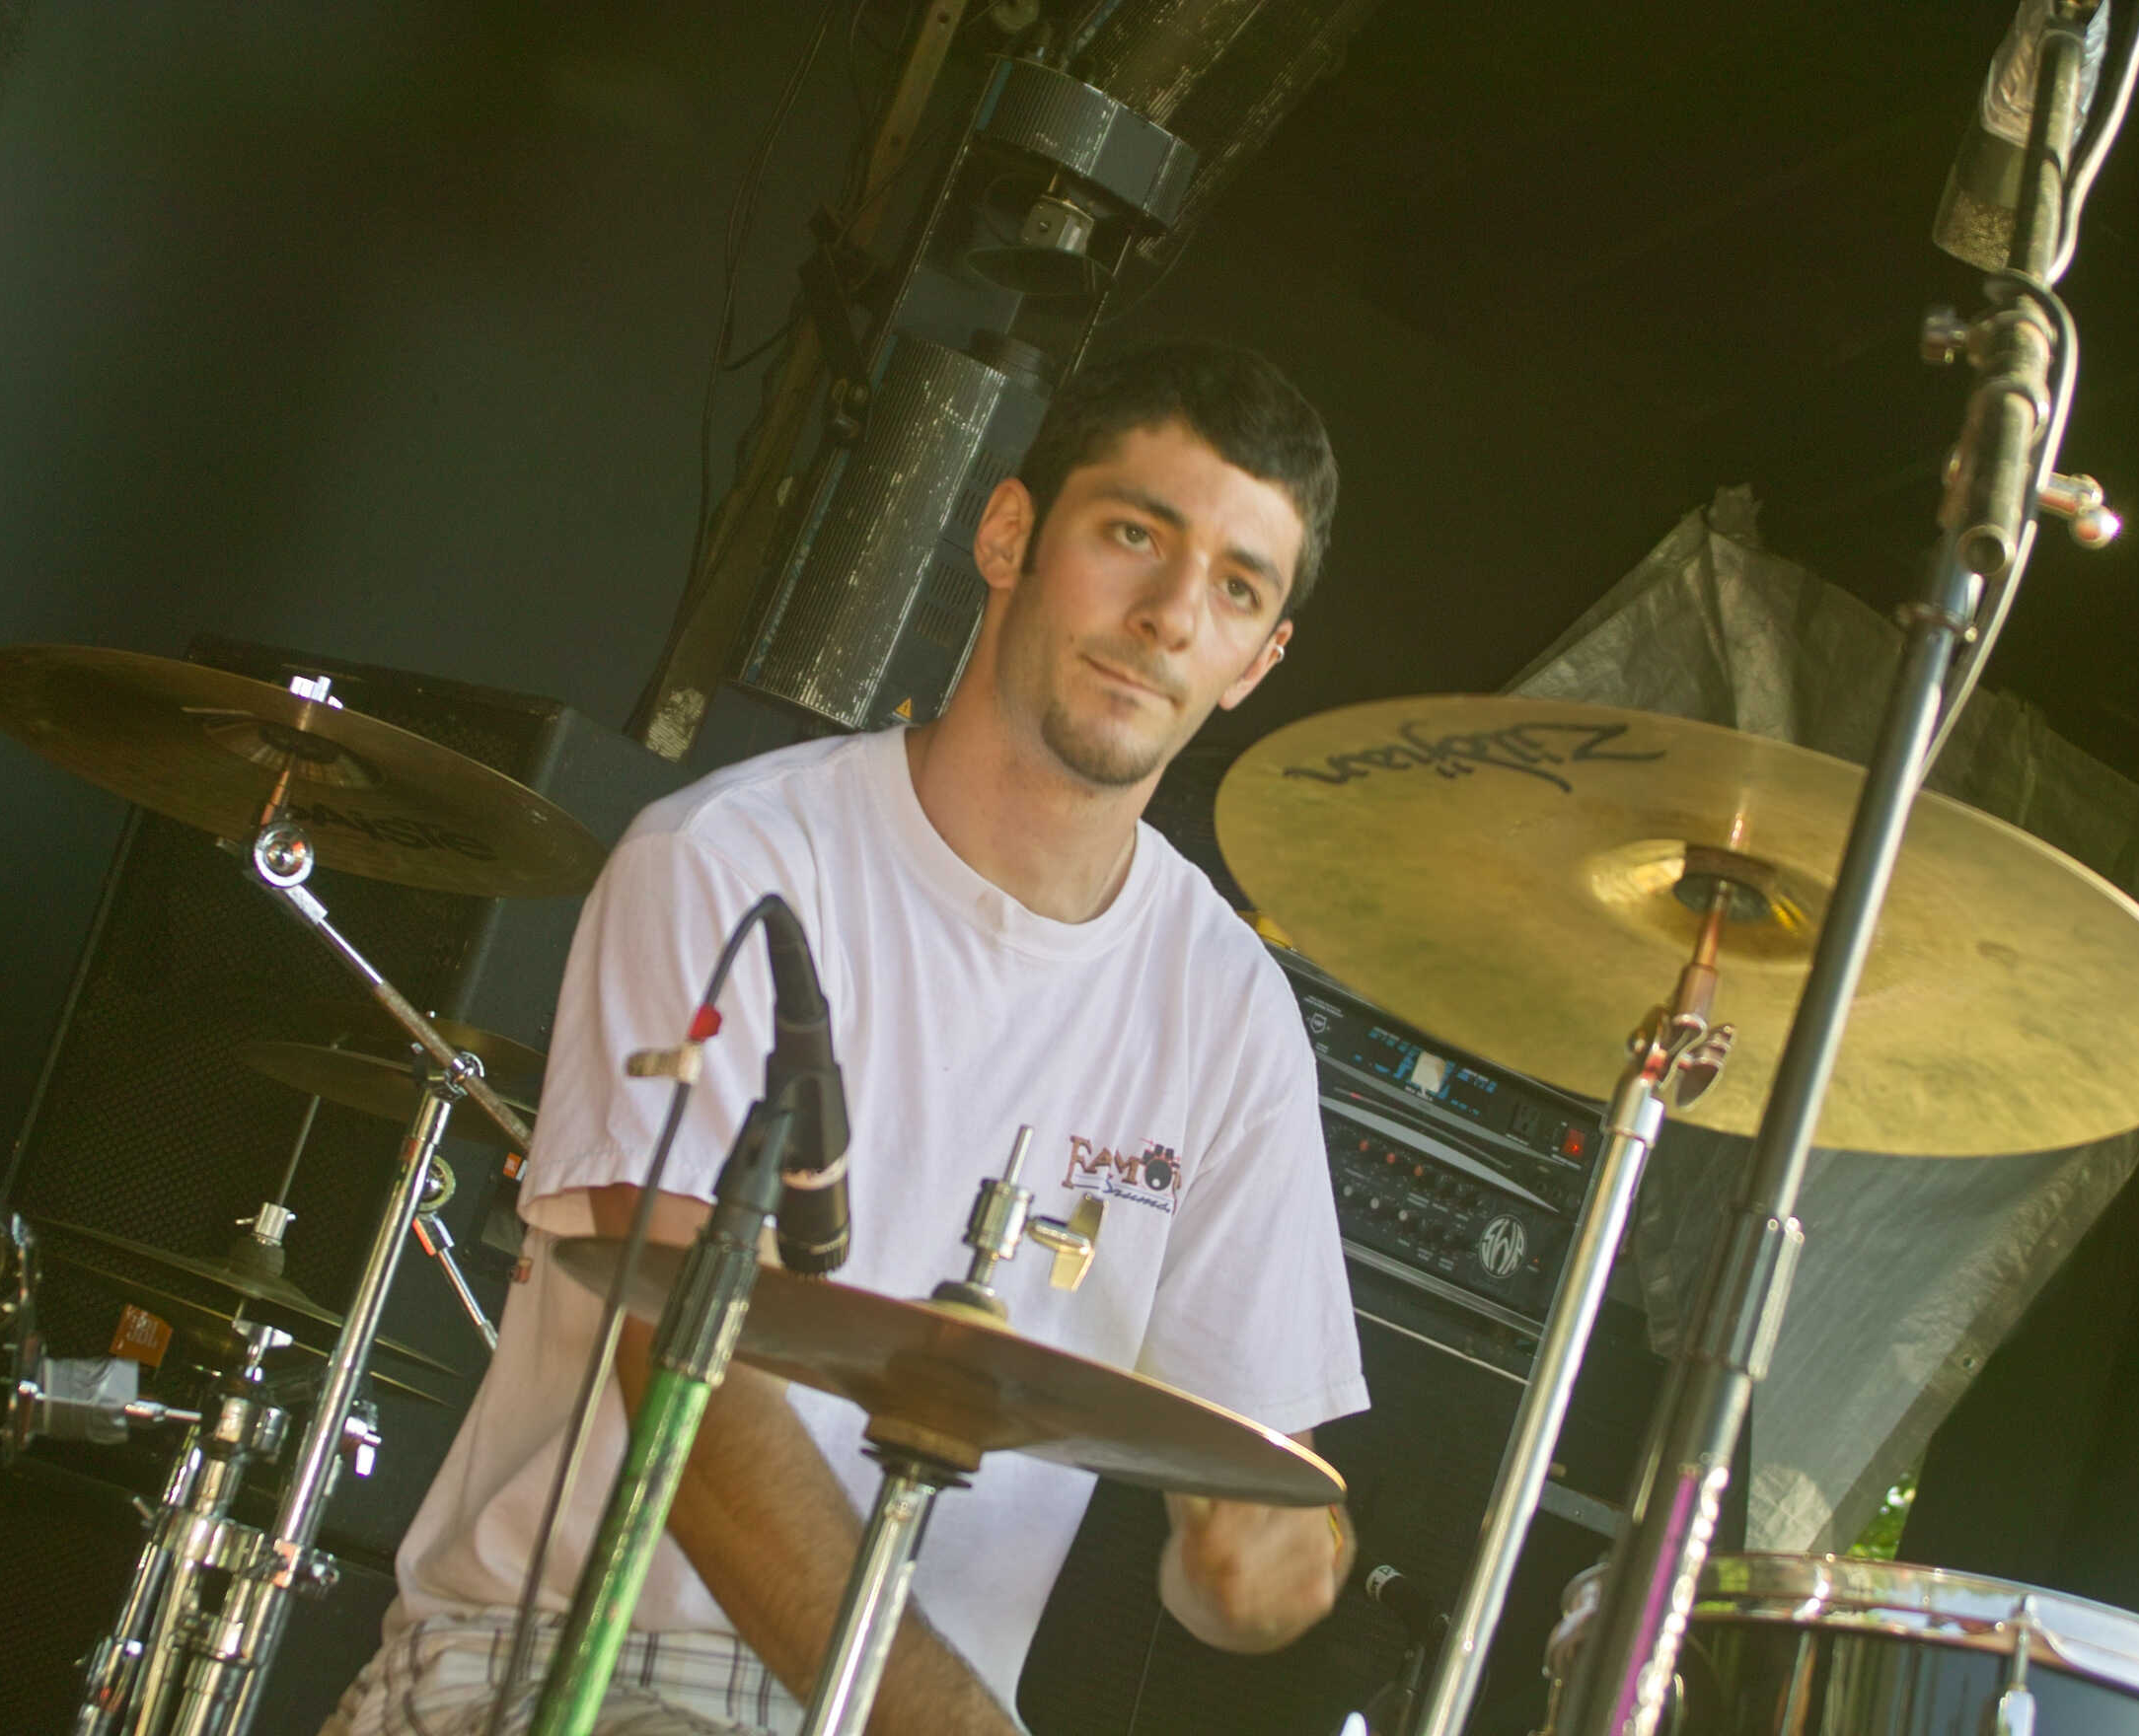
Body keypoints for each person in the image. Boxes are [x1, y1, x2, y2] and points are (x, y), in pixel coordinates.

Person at [323, 338, 1367, 1735]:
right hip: (568, 1658)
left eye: (1237, 588)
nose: (1173, 616)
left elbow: (1255, 1517)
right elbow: (694, 1395)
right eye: (1135, 534)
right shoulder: (734, 863)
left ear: (1258, 661)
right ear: (1010, 536)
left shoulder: (1230, 1012)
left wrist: (1267, 1562)